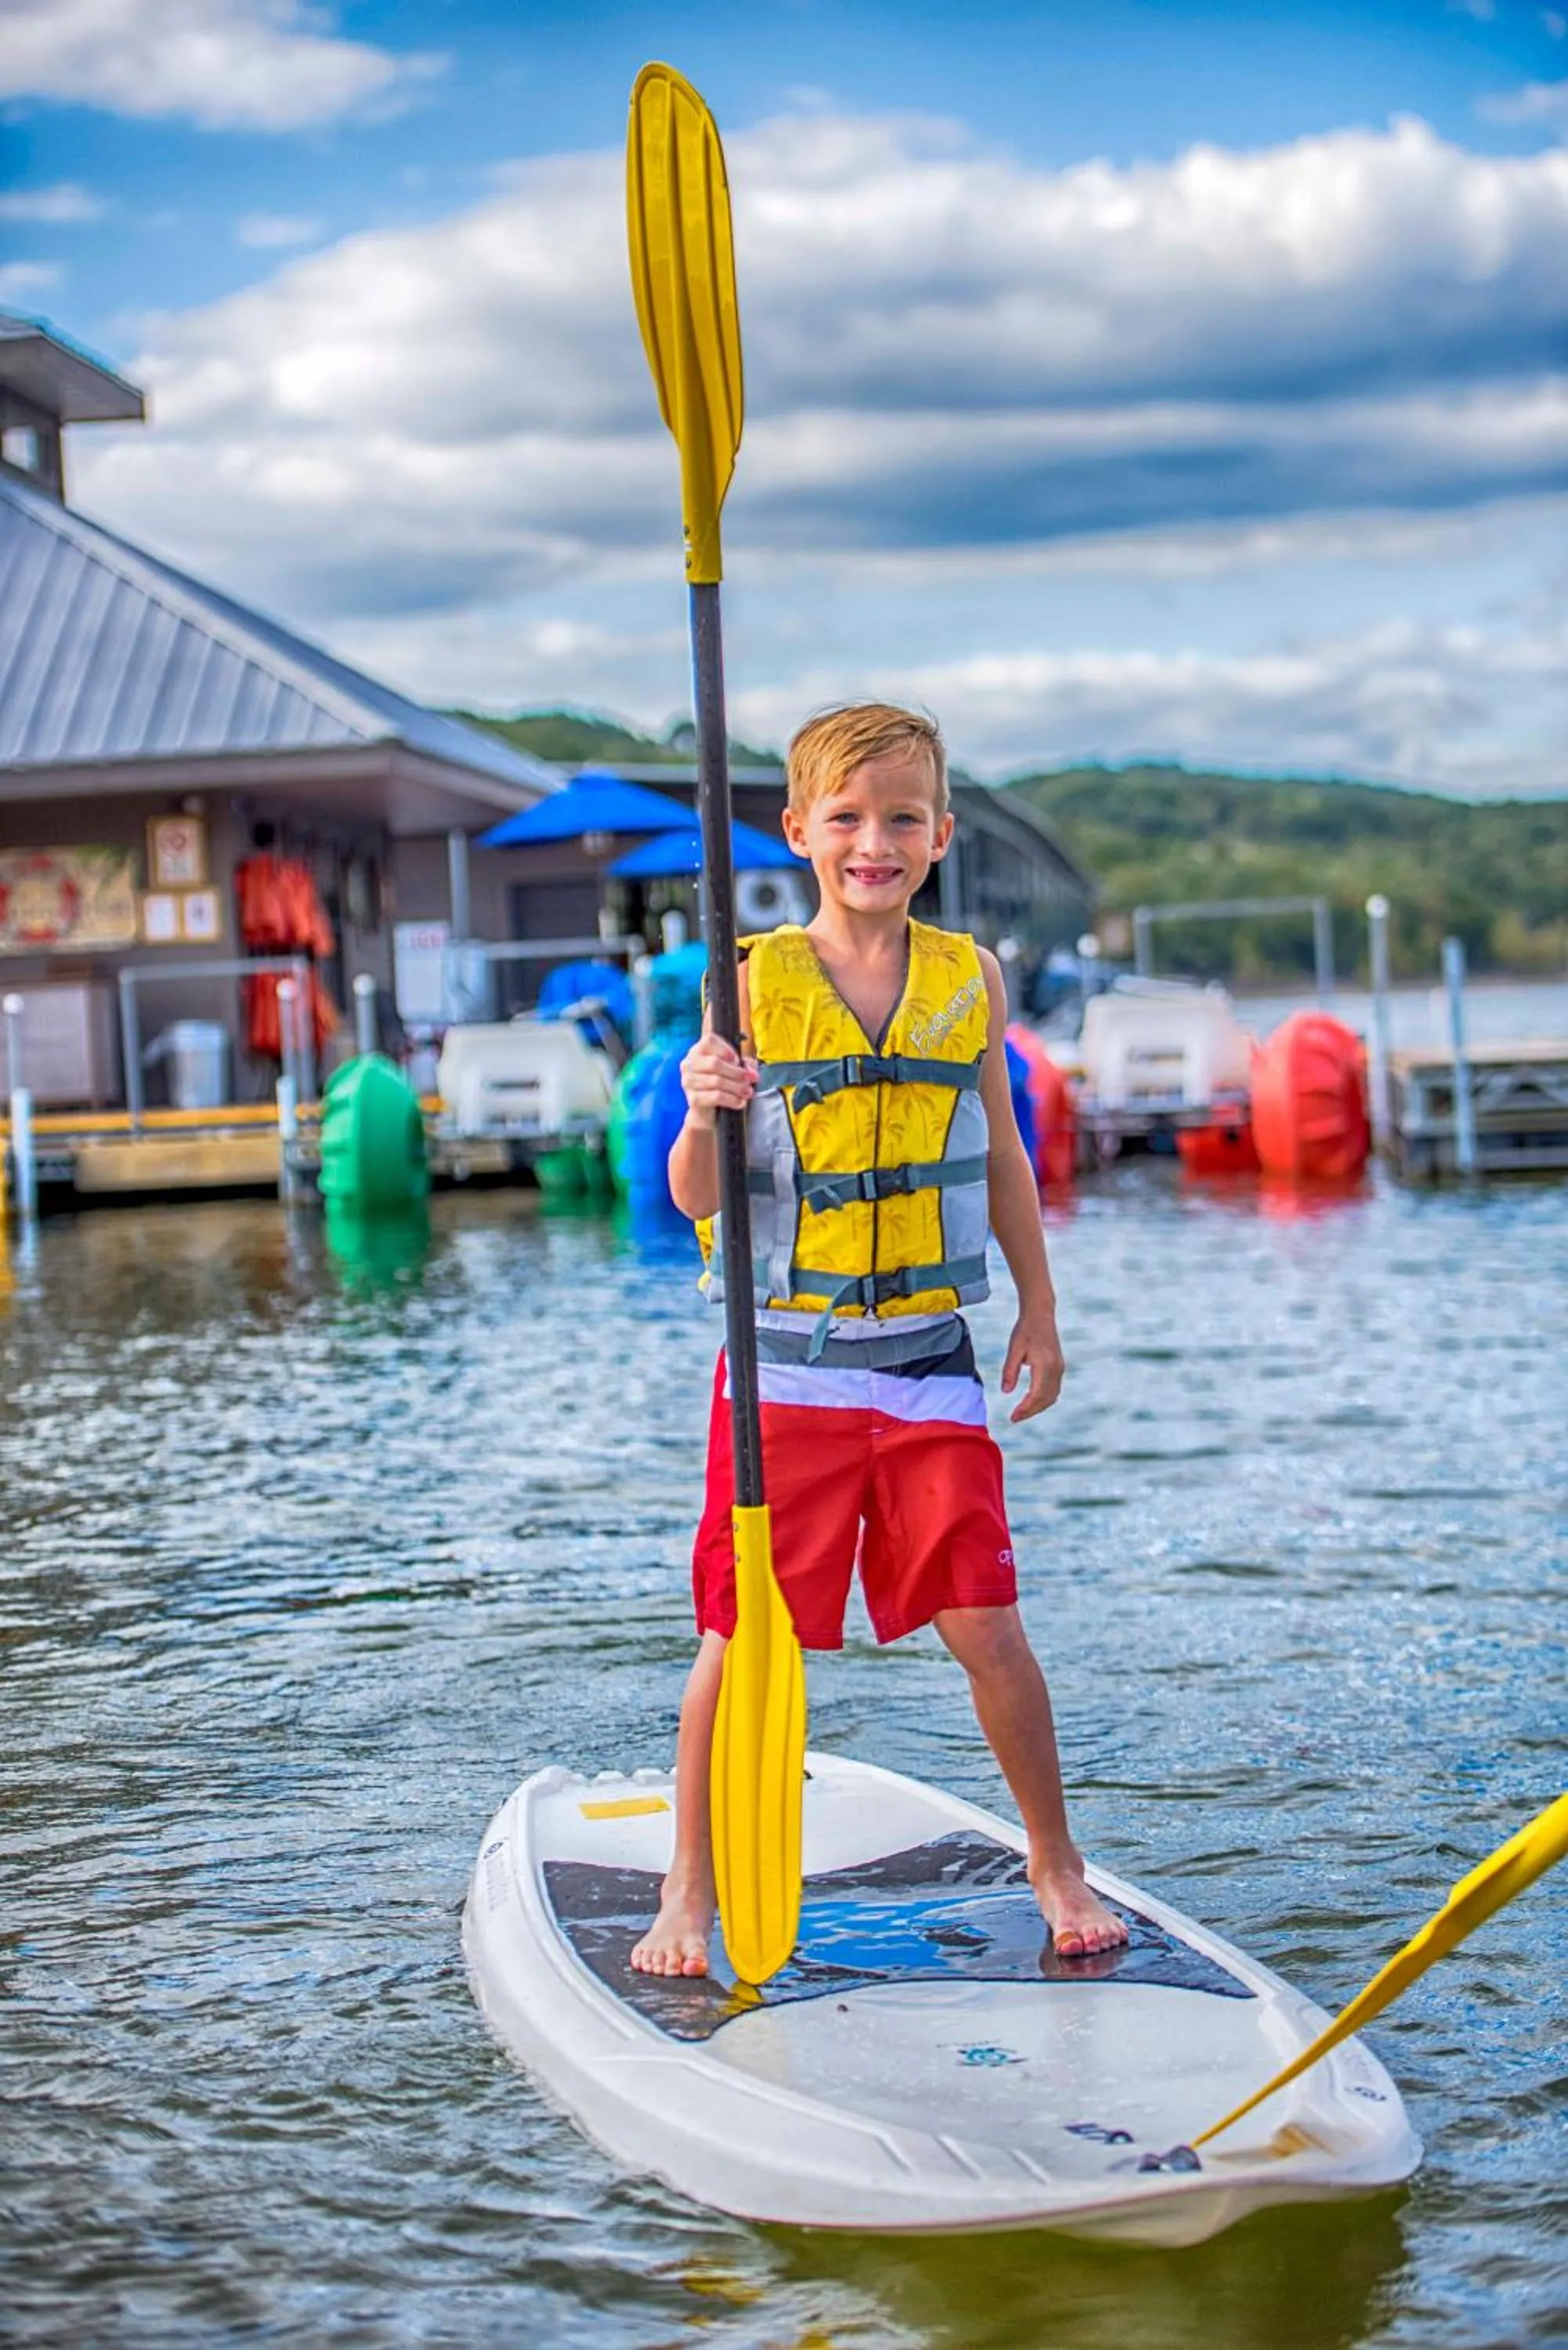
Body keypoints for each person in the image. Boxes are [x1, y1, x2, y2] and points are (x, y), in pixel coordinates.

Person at [630, 702, 1127, 1979]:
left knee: (988, 1624)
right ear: (797, 832)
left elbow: (1005, 1155)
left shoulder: (972, 978)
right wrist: (701, 1112)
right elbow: (696, 1195)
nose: (874, 842)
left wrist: (1042, 1309)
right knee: (742, 1639)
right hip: (782, 1375)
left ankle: (1054, 1860)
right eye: (845, 819)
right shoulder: (742, 983)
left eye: (901, 818)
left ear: (940, 834)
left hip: (926, 1364)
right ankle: (687, 1890)